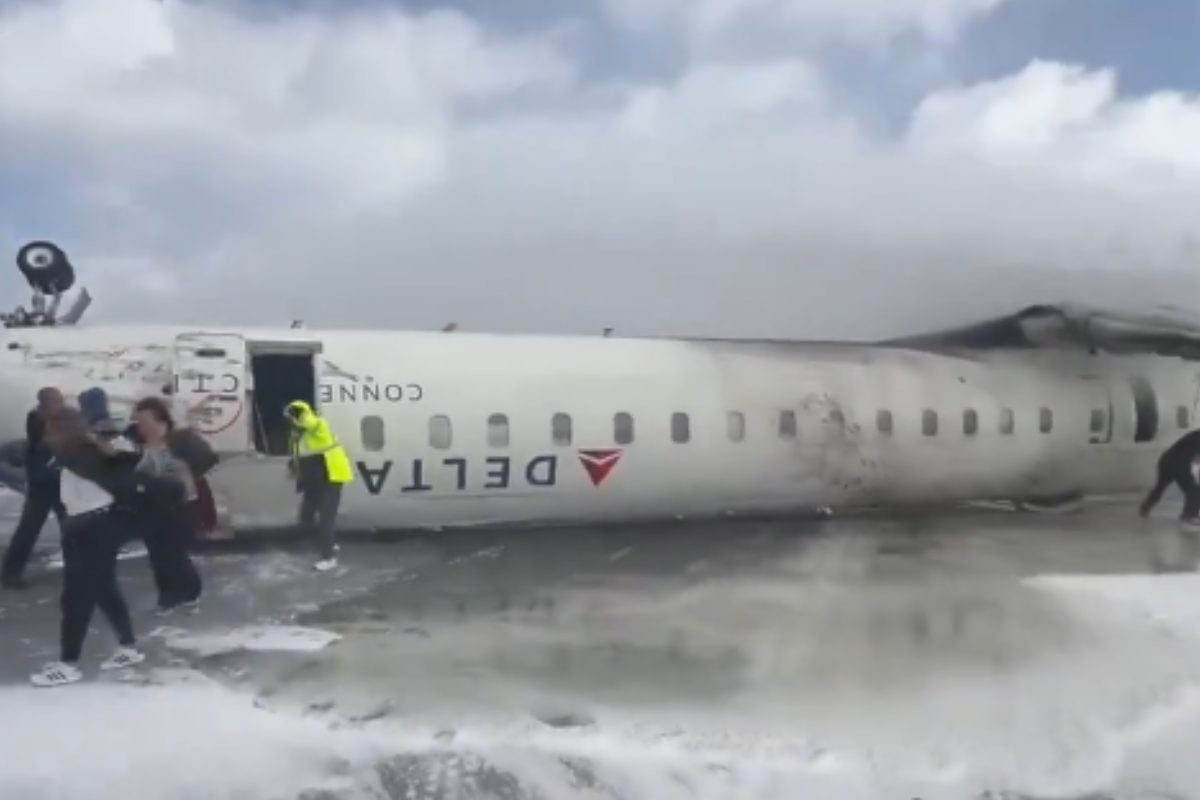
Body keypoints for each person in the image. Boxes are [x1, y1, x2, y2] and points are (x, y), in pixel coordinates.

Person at [29, 406, 146, 687]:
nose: (47, 437)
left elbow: (122, 458)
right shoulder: (78, 452)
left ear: (63, 430)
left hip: (91, 529)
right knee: (104, 589)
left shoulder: (80, 453)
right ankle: (128, 647)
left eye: (50, 431)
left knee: (76, 596)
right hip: (90, 526)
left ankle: (69, 663)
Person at [131, 396, 203, 613]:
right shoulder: (140, 444)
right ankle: (169, 596)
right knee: (157, 554)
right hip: (152, 505)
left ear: (161, 421)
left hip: (179, 506)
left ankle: (188, 592)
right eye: (138, 422)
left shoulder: (178, 443)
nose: (142, 427)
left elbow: (184, 473)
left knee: (174, 553)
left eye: (145, 422)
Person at [1, 387, 66, 589]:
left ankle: (82, 569)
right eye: (57, 401)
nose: (61, 404)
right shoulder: (38, 418)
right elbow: (43, 444)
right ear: (46, 402)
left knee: (72, 527)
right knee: (29, 530)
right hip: (43, 484)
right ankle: (11, 573)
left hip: (55, 483)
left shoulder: (53, 419)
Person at [285, 400, 353, 571]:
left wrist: (300, 413)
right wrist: (293, 467)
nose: (290, 420)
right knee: (305, 517)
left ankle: (329, 558)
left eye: (292, 416)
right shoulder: (297, 433)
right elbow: (298, 453)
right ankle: (327, 542)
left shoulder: (317, 424)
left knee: (325, 518)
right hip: (315, 478)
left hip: (332, 474)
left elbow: (310, 422)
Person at [1140, 429, 1200, 521]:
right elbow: (1188, 457)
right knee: (1193, 488)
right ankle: (1189, 515)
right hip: (1177, 462)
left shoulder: (1195, 435)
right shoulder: (1196, 437)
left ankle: (1145, 507)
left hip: (1166, 459)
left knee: (1160, 488)